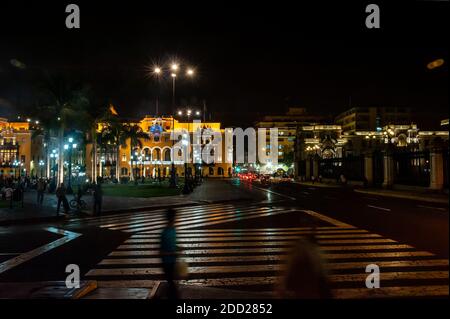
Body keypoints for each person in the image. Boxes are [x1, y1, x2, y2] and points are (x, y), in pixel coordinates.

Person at [160, 208, 178, 299]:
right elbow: (162, 251)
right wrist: (172, 253)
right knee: (171, 283)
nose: (176, 219)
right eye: (175, 217)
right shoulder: (166, 232)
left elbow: (173, 245)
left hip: (172, 262)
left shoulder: (172, 230)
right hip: (167, 263)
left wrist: (178, 248)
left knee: (171, 282)